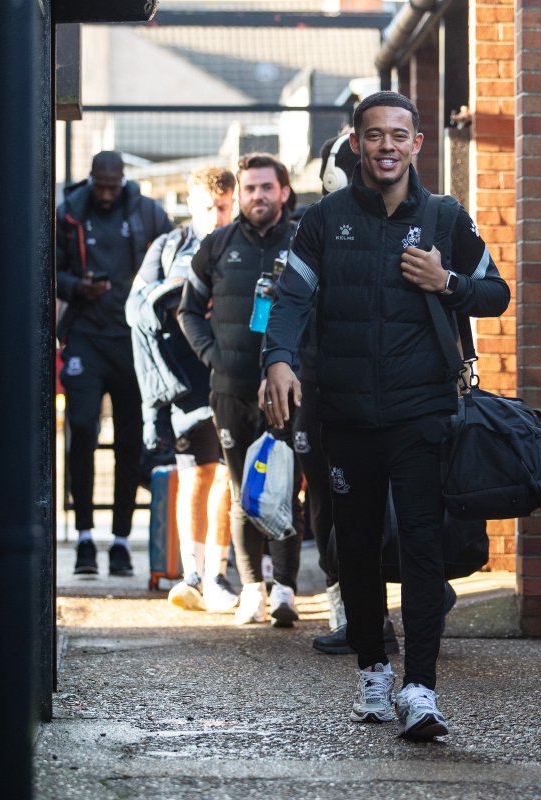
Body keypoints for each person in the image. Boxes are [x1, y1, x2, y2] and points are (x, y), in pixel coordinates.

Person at [261, 92, 510, 741]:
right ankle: (375, 670)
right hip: (346, 413)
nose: (387, 146)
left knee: (424, 549)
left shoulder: (445, 218)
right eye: (375, 135)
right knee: (358, 552)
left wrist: (446, 281)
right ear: (357, 143)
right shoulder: (323, 220)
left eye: (399, 134)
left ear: (418, 143)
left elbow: (496, 294)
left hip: (423, 410)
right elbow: (289, 299)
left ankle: (420, 689)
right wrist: (278, 361)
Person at [178, 153, 302, 627]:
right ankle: (252, 587)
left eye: (266, 188)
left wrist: (299, 365)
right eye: (249, 189)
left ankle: (285, 589)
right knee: (241, 491)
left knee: (285, 487)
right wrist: (215, 357)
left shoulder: (303, 241)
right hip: (231, 387)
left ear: (283, 192)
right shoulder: (215, 244)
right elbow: (188, 310)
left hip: (289, 388)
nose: (257, 197)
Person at [301, 130, 400, 656]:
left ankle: (377, 612)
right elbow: (290, 304)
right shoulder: (320, 223)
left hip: (371, 384)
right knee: (331, 500)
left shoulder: (423, 216)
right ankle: (355, 610)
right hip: (323, 381)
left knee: (374, 503)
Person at [126, 165, 238, 611]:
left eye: (224, 206)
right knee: (196, 475)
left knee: (230, 477)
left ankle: (218, 575)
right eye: (208, 207)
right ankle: (192, 574)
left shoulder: (246, 244)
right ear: (191, 204)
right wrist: (176, 293)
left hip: (233, 376)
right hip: (185, 382)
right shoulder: (167, 245)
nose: (216, 215)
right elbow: (136, 307)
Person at [56, 150, 173, 576]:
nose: (106, 194)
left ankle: (121, 540)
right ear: (90, 180)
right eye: (99, 185)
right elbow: (49, 268)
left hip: (133, 341)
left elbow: (172, 263)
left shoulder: (148, 213)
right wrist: (75, 287)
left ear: (122, 181)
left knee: (129, 440)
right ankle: (85, 537)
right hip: (86, 335)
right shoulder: (69, 212)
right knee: (82, 428)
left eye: (112, 186)